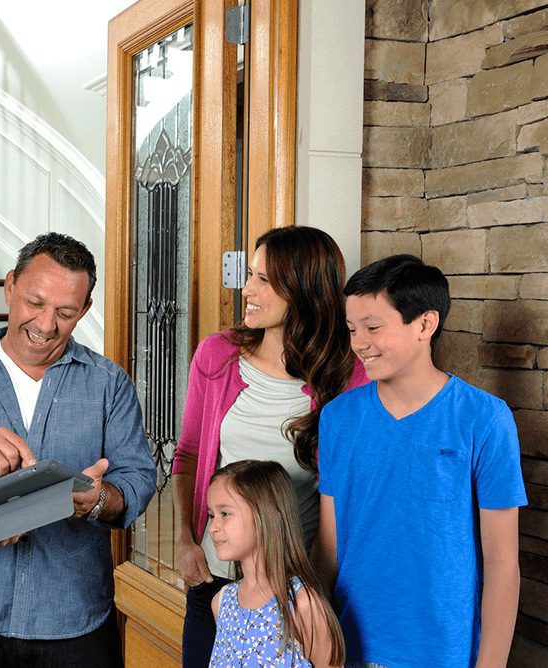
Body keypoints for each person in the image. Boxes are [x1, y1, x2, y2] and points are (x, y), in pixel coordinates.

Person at [0, 232, 157, 668]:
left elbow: (136, 480)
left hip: (74, 618)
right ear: (9, 287)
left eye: (65, 312)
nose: (46, 325)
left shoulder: (108, 383)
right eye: (35, 303)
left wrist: (99, 500)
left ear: (84, 310)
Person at [318, 254, 527, 668]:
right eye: (352, 329)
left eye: (373, 328)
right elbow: (329, 547)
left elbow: (503, 563)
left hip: (444, 653)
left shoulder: (485, 419)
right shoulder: (337, 418)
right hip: (349, 648)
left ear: (425, 324)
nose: (359, 342)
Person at [172, 226, 368, 666]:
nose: (247, 289)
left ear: (303, 290)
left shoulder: (349, 376)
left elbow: (352, 490)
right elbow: (186, 455)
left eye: (263, 279)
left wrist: (318, 586)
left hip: (294, 590)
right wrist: (186, 540)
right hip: (215, 580)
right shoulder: (216, 355)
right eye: (251, 275)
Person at [206, 460, 344, 667]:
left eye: (225, 514)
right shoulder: (221, 603)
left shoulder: (303, 604)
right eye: (211, 515)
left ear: (266, 515)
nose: (213, 527)